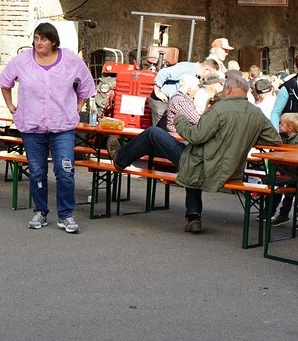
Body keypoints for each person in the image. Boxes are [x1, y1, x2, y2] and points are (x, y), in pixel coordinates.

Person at [108, 76, 280, 234]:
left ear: (227, 90)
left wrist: (179, 120)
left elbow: (195, 136)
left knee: (154, 133)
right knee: (194, 157)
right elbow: (275, 139)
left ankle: (120, 159)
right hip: (231, 169)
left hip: (206, 165)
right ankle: (192, 216)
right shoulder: (256, 113)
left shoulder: (219, 109)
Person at [0, 22, 94, 234]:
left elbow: (86, 83)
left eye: (43, 39)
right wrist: (10, 106)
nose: (38, 42)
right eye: (36, 38)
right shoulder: (23, 60)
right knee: (37, 171)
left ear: (53, 41)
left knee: (65, 171)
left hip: (63, 127)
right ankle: (40, 211)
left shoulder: (69, 59)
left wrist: (79, 105)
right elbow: (5, 82)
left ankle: (66, 215)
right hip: (32, 126)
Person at [269, 112, 298, 227]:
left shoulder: (297, 142)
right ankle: (284, 215)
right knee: (289, 190)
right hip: (294, 173)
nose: (279, 126)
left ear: (290, 128)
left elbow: (293, 161)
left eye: (281, 124)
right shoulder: (286, 137)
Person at [150, 60, 202, 126]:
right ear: (207, 70)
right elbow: (163, 72)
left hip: (171, 101)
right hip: (163, 101)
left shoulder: (194, 73)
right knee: (159, 131)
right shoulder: (189, 69)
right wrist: (157, 92)